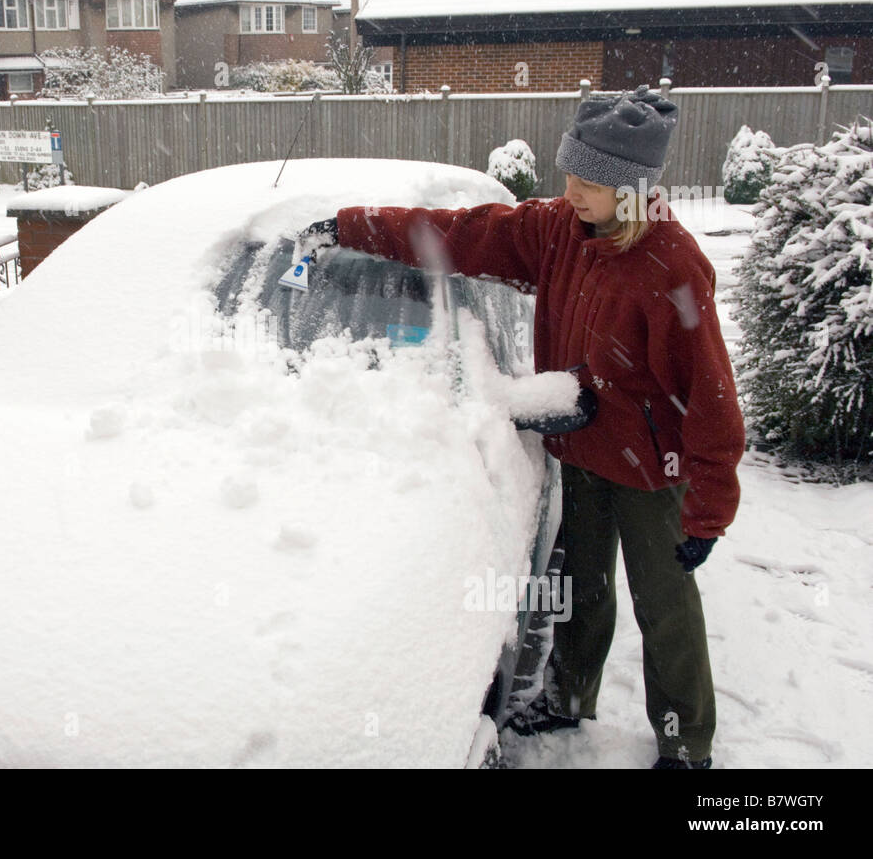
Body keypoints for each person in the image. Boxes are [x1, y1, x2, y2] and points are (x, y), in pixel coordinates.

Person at [315, 86, 744, 769]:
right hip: (582, 448)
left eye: (588, 182)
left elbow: (714, 396)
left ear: (630, 192)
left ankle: (685, 741)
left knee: (664, 610)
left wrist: (709, 507)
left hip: (653, 471)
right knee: (582, 592)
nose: (569, 189)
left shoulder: (674, 267)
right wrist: (352, 224)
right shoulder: (558, 231)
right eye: (569, 172)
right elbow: (457, 234)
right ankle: (570, 695)